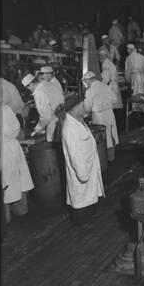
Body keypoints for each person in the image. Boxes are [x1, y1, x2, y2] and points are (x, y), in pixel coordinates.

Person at [57, 94, 104, 222]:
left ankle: (89, 217)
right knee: (81, 197)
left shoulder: (78, 121)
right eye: (83, 105)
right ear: (75, 107)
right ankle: (81, 223)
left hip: (88, 166)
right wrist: (82, 174)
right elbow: (74, 154)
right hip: (81, 169)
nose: (85, 107)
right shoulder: (70, 129)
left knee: (88, 195)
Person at [0, 101, 33, 224]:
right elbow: (16, 127)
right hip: (13, 146)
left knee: (6, 185)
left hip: (3, 151)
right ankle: (22, 212)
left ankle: (7, 217)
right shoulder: (6, 108)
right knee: (19, 181)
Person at [82, 71, 119, 162]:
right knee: (111, 134)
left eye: (85, 82)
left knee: (102, 137)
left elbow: (87, 107)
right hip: (109, 113)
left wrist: (85, 113)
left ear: (88, 80)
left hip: (99, 116)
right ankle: (111, 157)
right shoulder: (105, 86)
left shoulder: (90, 91)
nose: (85, 84)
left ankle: (103, 159)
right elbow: (115, 99)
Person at [21, 73, 63, 142]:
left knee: (52, 144)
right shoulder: (45, 84)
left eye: (28, 87)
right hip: (61, 116)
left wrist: (37, 129)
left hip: (55, 122)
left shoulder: (39, 93)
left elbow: (45, 117)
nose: (29, 90)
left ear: (31, 84)